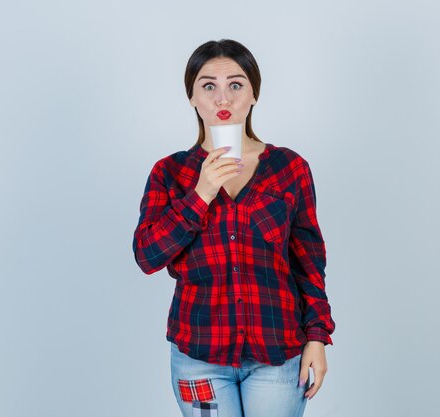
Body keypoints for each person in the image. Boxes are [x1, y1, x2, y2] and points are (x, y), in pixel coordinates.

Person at [133, 39, 335, 417]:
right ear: (192, 97)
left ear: (253, 93)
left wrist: (318, 337)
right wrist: (201, 193)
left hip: (277, 353)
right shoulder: (170, 173)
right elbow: (146, 255)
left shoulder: (290, 169)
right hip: (199, 355)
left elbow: (309, 264)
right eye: (208, 86)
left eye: (235, 85)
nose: (222, 99)